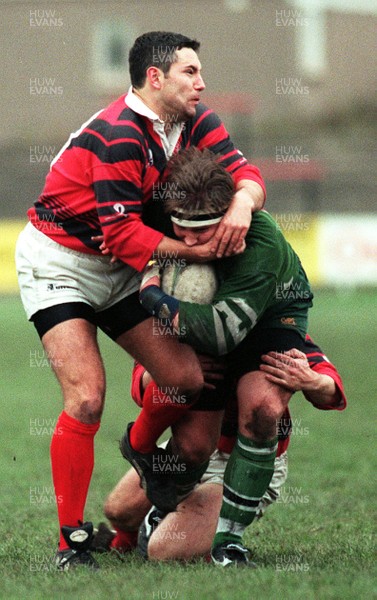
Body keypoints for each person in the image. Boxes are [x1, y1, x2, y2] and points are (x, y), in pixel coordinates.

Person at [15, 31, 265, 570]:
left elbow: (245, 173)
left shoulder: (194, 121)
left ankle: (140, 449)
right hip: (60, 264)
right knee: (85, 398)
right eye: (190, 73)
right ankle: (71, 545)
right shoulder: (119, 134)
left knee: (186, 380)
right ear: (155, 78)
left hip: (125, 267)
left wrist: (243, 205)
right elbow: (126, 237)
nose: (201, 83)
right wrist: (203, 250)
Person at [133, 146, 314, 566]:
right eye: (184, 232)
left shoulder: (260, 243)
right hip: (205, 322)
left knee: (264, 408)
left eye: (205, 232)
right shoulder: (168, 217)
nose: (193, 245)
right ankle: (155, 491)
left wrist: (153, 293)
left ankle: (228, 543)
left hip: (269, 322)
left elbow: (220, 333)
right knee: (175, 461)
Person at [93, 335, 346, 562]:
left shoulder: (270, 323)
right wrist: (181, 373)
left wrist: (312, 380)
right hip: (187, 450)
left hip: (244, 463)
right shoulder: (177, 322)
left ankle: (214, 542)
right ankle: (123, 543)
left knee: (164, 551)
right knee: (118, 510)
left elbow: (331, 391)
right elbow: (139, 388)